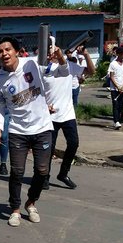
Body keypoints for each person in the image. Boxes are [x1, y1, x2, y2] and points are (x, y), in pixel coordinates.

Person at [0, 36, 55, 227]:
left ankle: (31, 202)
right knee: (17, 172)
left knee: (42, 171)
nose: (4, 53)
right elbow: (0, 108)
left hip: (42, 128)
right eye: (0, 51)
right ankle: (15, 209)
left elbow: (50, 70)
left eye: (8, 49)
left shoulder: (32, 65)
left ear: (16, 51)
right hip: (18, 130)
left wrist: (53, 53)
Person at [43, 46, 95, 190]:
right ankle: (44, 176)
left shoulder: (70, 66)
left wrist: (86, 54)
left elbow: (91, 72)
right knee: (49, 148)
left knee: (73, 144)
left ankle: (63, 173)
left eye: (52, 51)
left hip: (67, 114)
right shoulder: (42, 68)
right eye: (47, 52)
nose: (50, 54)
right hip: (50, 115)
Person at [107, 47, 123, 129]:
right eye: (122, 53)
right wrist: (117, 86)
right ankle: (116, 121)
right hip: (114, 88)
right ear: (118, 54)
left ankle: (119, 119)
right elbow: (111, 76)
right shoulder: (113, 64)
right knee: (115, 104)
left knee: (121, 105)